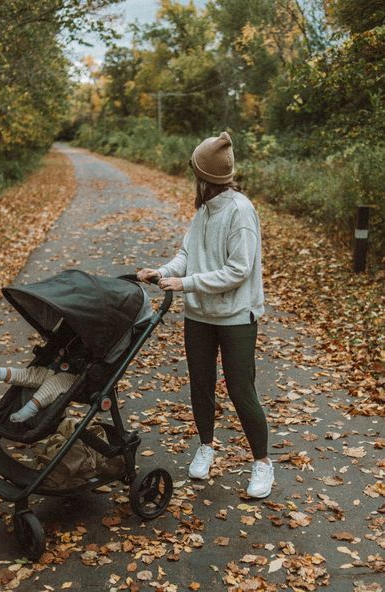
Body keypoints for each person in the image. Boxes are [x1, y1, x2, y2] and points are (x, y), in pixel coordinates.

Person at [137, 131, 274, 498]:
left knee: (241, 390)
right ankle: (207, 446)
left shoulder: (240, 212)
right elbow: (187, 254)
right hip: (199, 315)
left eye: (195, 173)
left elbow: (238, 270)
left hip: (235, 317)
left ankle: (262, 463)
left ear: (205, 178)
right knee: (201, 385)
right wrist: (164, 272)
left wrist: (187, 283)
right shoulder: (203, 212)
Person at [0, 346, 78, 422]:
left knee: (55, 383)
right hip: (60, 368)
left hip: (76, 378)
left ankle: (31, 408)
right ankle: (2, 373)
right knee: (34, 374)